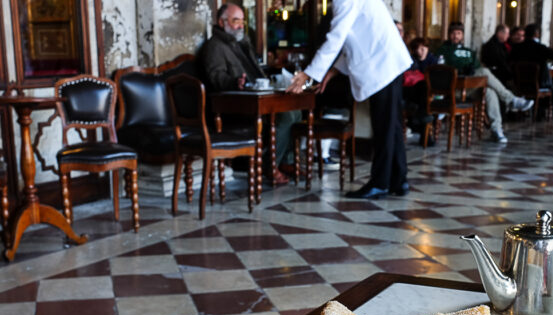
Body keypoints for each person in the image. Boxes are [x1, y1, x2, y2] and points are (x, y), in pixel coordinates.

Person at [287, 0, 412, 199]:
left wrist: (309, 73)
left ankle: (380, 183)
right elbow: (356, 37)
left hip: (383, 65)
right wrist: (332, 71)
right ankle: (399, 179)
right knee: (392, 125)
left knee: (385, 126)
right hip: (388, 63)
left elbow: (336, 37)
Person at [200, 3, 300, 185]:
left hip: (259, 97)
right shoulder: (214, 46)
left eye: (242, 21)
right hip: (237, 106)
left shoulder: (242, 42)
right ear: (222, 23)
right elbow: (216, 77)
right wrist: (234, 82)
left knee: (296, 111)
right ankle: (271, 165)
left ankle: (286, 160)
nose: (240, 25)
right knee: (285, 116)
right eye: (235, 21)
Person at [435, 22, 533, 143]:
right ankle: (511, 99)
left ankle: (496, 130)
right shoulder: (443, 50)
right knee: (485, 72)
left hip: (469, 88)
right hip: (453, 88)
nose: (456, 36)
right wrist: (459, 70)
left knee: (490, 92)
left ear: (462, 35)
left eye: (459, 33)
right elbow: (440, 70)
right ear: (449, 34)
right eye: (453, 33)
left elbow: (476, 67)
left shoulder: (469, 52)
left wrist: (470, 69)